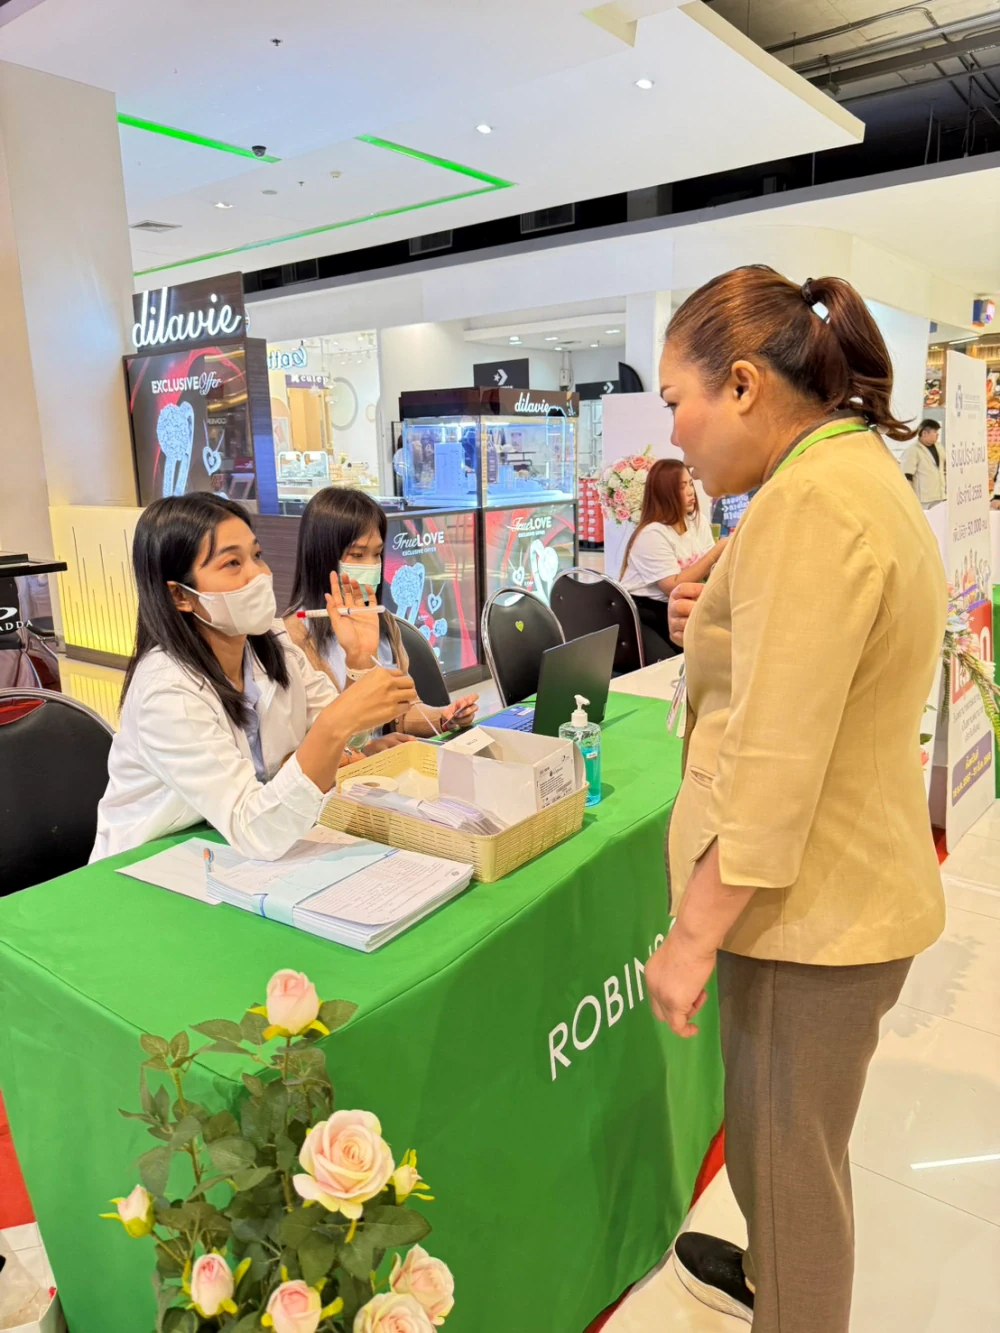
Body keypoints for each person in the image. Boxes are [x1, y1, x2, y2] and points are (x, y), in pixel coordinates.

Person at [645, 266, 946, 1333]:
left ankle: (793, 1298)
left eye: (674, 401)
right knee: (783, 1153)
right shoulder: (839, 472)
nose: (670, 435)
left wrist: (690, 937)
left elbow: (773, 764)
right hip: (825, 896)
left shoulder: (812, 505)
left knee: (791, 1171)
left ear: (738, 385)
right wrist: (715, 603)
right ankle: (777, 1278)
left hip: (813, 914)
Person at [92, 494, 417, 863]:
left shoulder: (275, 646)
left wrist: (358, 659)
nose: (259, 575)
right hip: (152, 864)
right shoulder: (167, 691)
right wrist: (333, 727)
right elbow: (255, 829)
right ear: (180, 594)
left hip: (237, 850)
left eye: (257, 555)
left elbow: (346, 734)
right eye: (232, 563)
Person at [284, 487, 478, 738]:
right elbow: (314, 742)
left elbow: (403, 711)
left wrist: (445, 717)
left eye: (377, 554)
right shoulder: (292, 638)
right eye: (357, 554)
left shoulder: (381, 620)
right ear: (322, 555)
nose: (372, 566)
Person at [619, 458, 726, 655]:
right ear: (664, 492)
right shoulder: (653, 533)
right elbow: (673, 586)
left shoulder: (697, 522)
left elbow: (711, 570)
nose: (690, 492)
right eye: (681, 486)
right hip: (645, 613)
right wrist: (717, 551)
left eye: (691, 484)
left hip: (681, 607)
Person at [901, 418, 945, 507]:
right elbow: (907, 475)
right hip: (923, 499)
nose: (937, 434)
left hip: (940, 496)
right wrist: (909, 497)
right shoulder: (913, 450)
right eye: (935, 432)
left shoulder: (939, 447)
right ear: (924, 433)